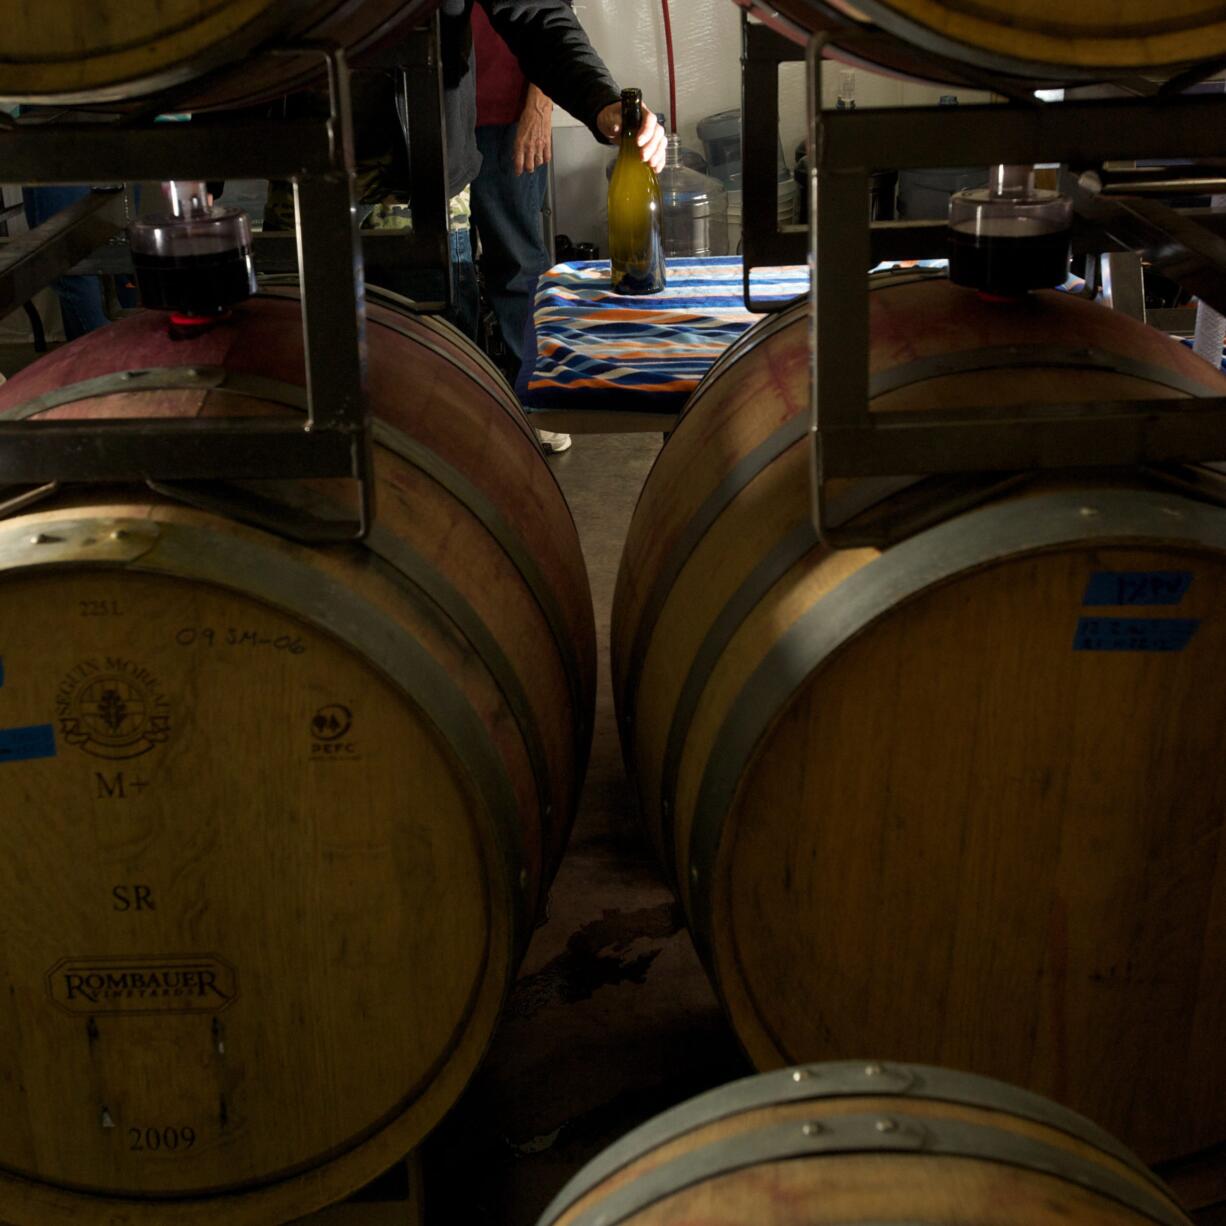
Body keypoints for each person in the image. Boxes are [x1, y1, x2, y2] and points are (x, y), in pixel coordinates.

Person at [265, 0, 666, 450]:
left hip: (423, 180)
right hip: (299, 167)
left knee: (438, 385)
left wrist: (600, 99)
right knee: (295, 375)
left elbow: (534, 13)